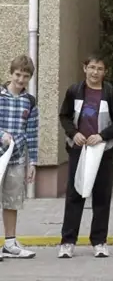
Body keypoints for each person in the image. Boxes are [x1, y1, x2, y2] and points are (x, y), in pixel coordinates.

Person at [57, 54, 113, 259]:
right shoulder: (74, 91)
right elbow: (64, 116)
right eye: (92, 68)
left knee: (101, 196)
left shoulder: (111, 93)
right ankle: (67, 242)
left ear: (104, 72)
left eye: (99, 68)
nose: (95, 72)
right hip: (79, 149)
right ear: (84, 68)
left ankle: (99, 241)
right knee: (75, 194)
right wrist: (74, 133)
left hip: (103, 151)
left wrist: (102, 136)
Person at [0, 55, 39, 259]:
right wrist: (1, 135)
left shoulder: (29, 102)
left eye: (25, 76)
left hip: (15, 160)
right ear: (11, 73)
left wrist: (32, 162)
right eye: (17, 74)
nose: (21, 80)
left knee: (11, 201)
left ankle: (9, 244)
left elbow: (32, 133)